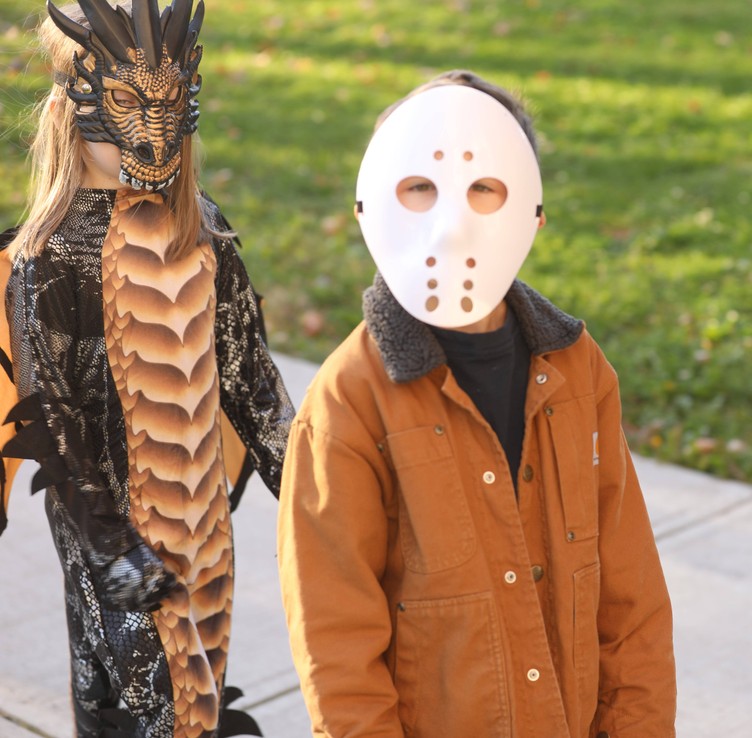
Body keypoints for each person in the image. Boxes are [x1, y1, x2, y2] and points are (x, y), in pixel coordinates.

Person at [277, 70, 676, 738]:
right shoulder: (347, 404)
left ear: (533, 213)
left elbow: (630, 598)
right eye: (420, 189)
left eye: (483, 188)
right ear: (370, 206)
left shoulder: (579, 371)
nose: (450, 220)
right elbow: (337, 647)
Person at [0, 2, 294, 736]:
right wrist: (109, 544)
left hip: (202, 526)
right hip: (107, 531)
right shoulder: (49, 259)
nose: (152, 128)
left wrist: (319, 486)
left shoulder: (206, 230)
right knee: (136, 703)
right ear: (77, 101)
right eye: (128, 101)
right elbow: (55, 415)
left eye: (166, 101)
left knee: (192, 690)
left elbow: (252, 380)